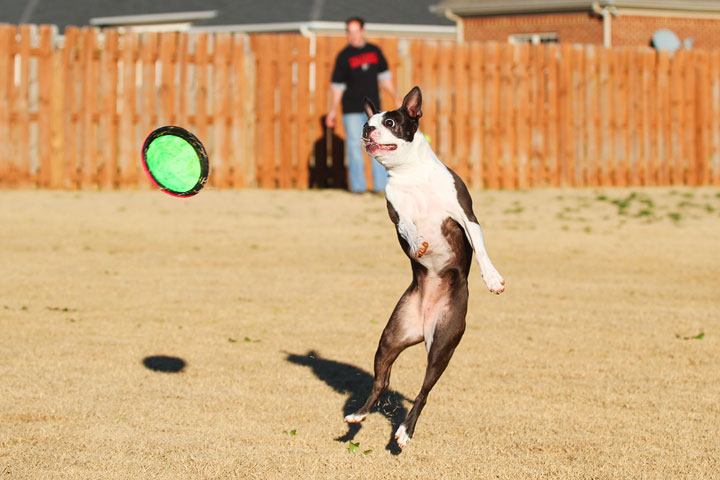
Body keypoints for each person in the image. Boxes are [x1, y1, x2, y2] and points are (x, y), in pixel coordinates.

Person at [326, 17, 400, 193]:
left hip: (373, 112)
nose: (353, 35)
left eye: (356, 31)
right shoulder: (344, 56)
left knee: (379, 145)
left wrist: (396, 98)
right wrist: (333, 111)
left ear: (362, 31)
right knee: (354, 147)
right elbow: (337, 88)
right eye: (349, 32)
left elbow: (385, 78)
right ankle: (358, 188)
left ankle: (381, 187)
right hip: (351, 109)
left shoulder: (375, 51)